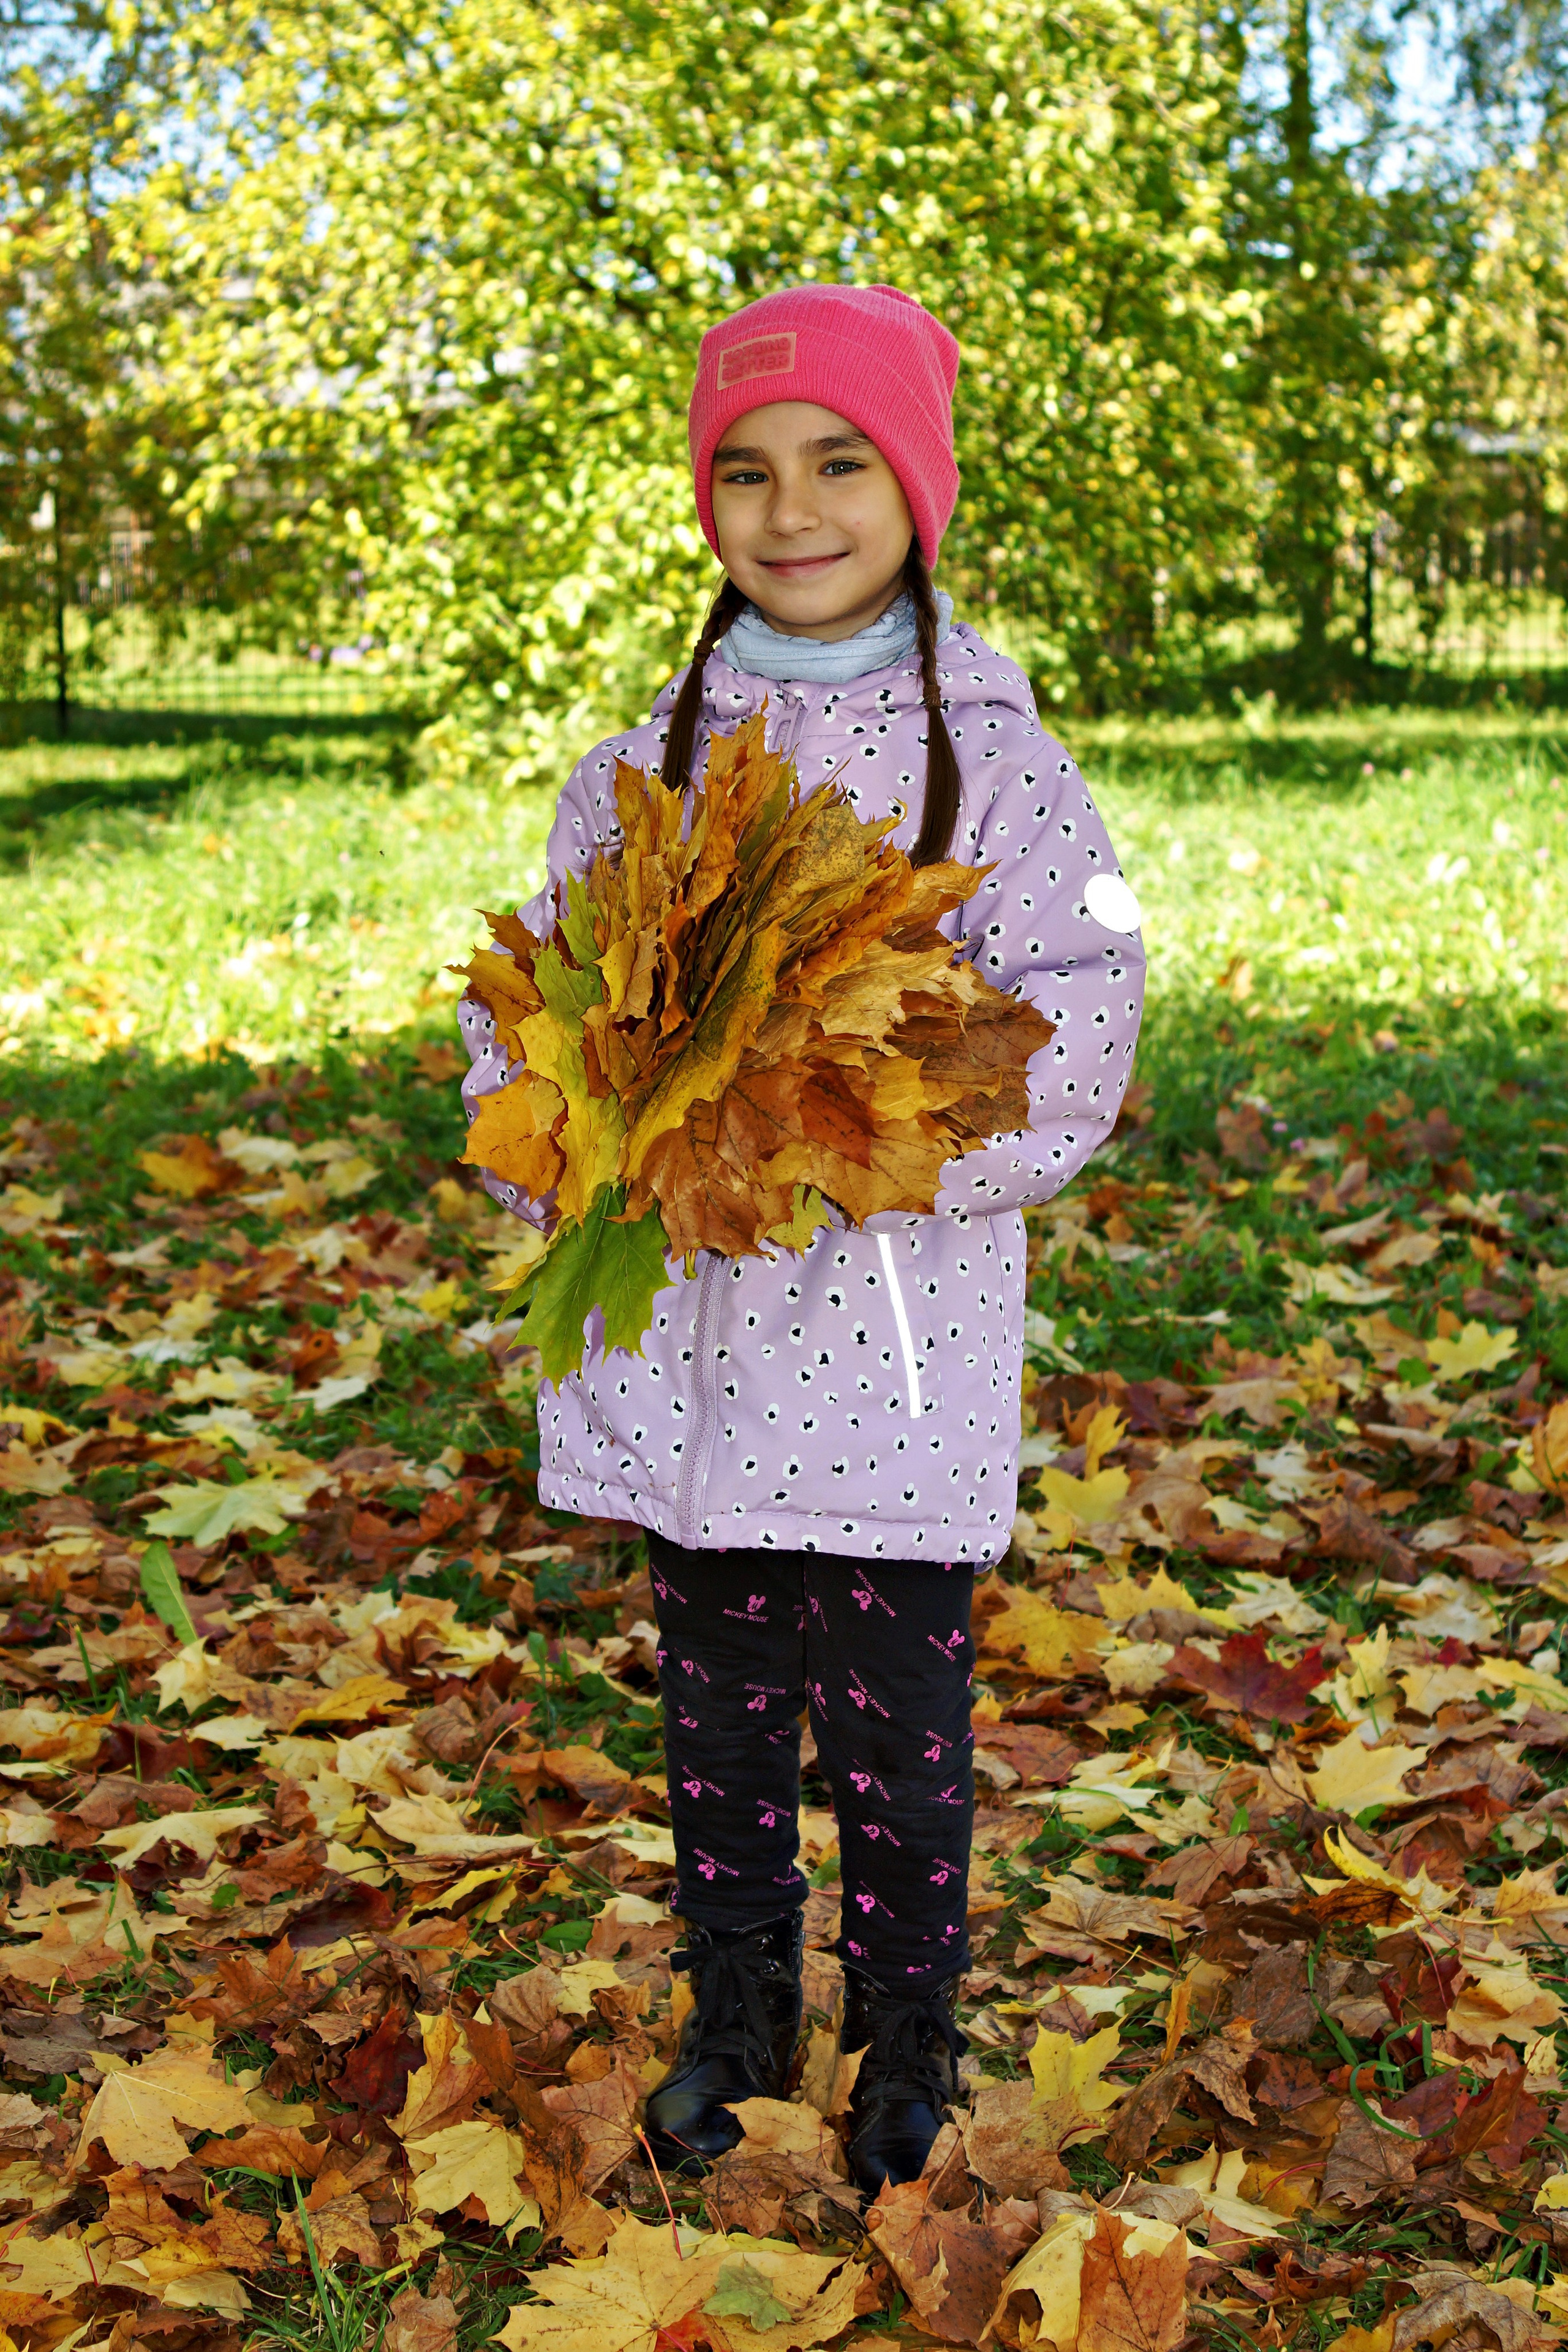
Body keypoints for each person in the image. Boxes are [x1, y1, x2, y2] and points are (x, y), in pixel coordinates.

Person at [458, 282, 1145, 2190]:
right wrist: (579, 1142)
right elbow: (523, 1028)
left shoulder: (1002, 766)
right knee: (724, 1717)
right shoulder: (638, 768)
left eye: (840, 462)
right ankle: (740, 2016)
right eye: (746, 471)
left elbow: (1082, 1014)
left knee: (903, 1730)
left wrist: (879, 1148)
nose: (791, 508)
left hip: (887, 1365)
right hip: (687, 1367)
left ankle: (910, 2035)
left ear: (916, 484)